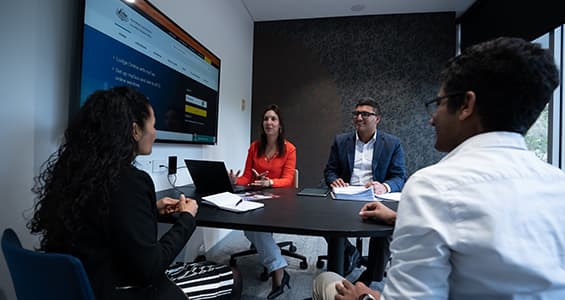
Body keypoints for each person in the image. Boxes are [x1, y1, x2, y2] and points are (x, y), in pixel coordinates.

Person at [313, 37, 565, 299]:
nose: (432, 119)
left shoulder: (432, 187)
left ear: (466, 105)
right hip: (349, 201)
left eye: (439, 102)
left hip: (376, 198)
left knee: (326, 280)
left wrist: (365, 297)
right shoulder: (558, 184)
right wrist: (401, 217)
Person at [28, 86, 241, 300]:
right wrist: (187, 218)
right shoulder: (131, 181)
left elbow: (106, 221)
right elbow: (149, 268)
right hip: (126, 291)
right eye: (153, 125)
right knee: (232, 276)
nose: (155, 133)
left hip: (82, 287)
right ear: (135, 130)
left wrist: (150, 207)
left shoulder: (73, 173)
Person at [323, 97, 406, 282]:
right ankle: (348, 253)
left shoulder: (392, 143)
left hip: (375, 198)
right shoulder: (341, 141)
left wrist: (384, 186)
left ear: (377, 119)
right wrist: (334, 180)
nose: (359, 118)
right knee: (323, 220)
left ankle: (370, 278)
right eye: (356, 113)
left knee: (385, 231)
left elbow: (400, 176)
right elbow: (330, 170)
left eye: (365, 114)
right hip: (346, 196)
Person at [229, 104, 296, 299]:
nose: (269, 122)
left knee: (255, 228)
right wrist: (234, 180)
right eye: (266, 118)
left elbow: (288, 179)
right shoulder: (254, 147)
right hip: (255, 197)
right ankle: (278, 266)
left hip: (280, 199)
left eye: (273, 119)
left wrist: (270, 182)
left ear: (280, 125)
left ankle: (278, 271)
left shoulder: (289, 149)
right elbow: (247, 177)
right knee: (249, 226)